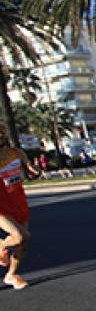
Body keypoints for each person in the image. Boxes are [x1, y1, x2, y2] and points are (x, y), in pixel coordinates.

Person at [0, 124, 41, 290]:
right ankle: (2, 246)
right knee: (19, 236)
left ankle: (11, 275)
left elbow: (30, 172)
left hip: (18, 202)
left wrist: (34, 172)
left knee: (23, 243)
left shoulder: (17, 153)